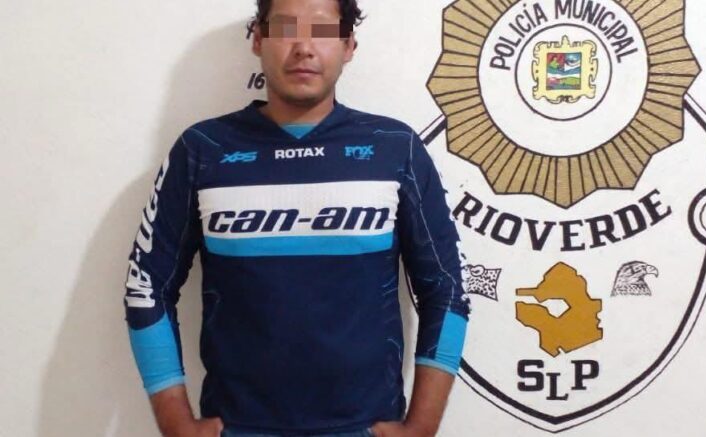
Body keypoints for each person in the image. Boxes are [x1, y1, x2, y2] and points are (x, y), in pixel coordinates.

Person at [123, 0, 470, 435]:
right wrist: (175, 421)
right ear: (258, 39)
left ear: (348, 45)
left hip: (363, 428)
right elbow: (147, 287)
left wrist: (422, 427)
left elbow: (448, 289)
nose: (304, 47)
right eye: (286, 29)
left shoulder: (394, 147)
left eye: (323, 32)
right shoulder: (202, 149)